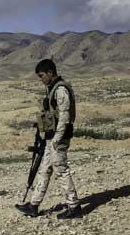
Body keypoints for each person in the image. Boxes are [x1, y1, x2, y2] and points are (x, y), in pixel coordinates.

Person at [15, 59, 82, 219]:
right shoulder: (52, 88)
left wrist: (57, 139)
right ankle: (33, 205)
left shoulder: (60, 90)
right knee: (44, 170)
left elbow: (65, 117)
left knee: (61, 169)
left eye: (42, 75)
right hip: (51, 137)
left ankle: (74, 206)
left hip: (58, 138)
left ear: (50, 73)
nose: (41, 79)